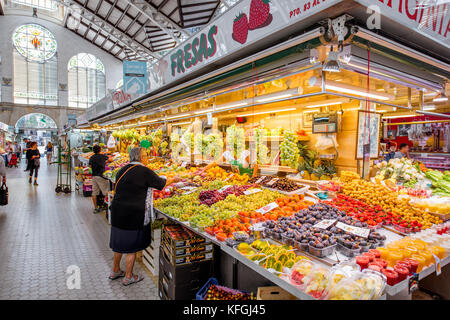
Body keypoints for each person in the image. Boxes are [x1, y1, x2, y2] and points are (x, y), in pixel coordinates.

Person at [109, 147, 181, 286]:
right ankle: (128, 277)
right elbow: (161, 183)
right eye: (146, 155)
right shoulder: (144, 171)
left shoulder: (122, 170)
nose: (147, 157)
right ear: (141, 157)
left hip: (118, 212)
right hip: (133, 214)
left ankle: (115, 271)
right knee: (132, 247)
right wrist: (175, 179)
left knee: (118, 244)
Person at [89, 145, 110, 214]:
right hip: (101, 176)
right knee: (106, 192)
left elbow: (90, 166)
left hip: (94, 176)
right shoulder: (103, 156)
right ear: (100, 150)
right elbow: (110, 159)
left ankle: (96, 208)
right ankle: (107, 208)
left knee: (94, 193)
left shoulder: (91, 157)